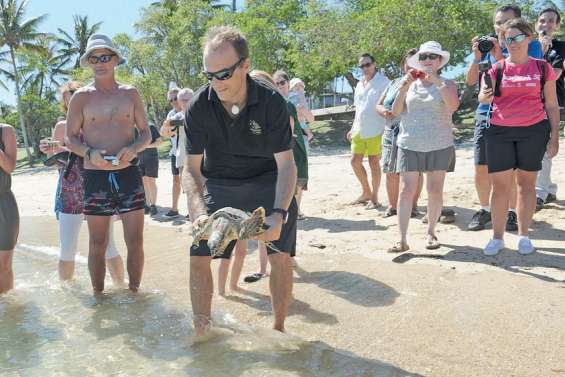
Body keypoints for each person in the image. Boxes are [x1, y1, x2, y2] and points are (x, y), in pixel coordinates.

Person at [183, 26, 297, 336]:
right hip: (219, 184)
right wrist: (198, 213)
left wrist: (278, 213)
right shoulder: (197, 106)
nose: (215, 83)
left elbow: (287, 165)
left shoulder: (272, 102)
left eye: (224, 74)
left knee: (280, 256)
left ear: (245, 65)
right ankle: (202, 334)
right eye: (209, 75)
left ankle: (279, 330)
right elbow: (191, 170)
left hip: (267, 180)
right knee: (199, 252)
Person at [65, 34, 151, 293]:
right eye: (94, 58)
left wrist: (134, 148)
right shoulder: (80, 98)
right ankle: (99, 298)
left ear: (115, 60)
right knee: (97, 243)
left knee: (135, 240)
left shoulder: (130, 93)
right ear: (88, 62)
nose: (100, 62)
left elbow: (146, 133)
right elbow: (70, 138)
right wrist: (89, 152)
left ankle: (135, 293)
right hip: (95, 178)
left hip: (128, 175)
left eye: (105, 56)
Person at [478, 18, 559, 256]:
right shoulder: (497, 68)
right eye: (507, 39)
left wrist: (554, 137)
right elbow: (484, 96)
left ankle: (524, 236)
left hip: (533, 131)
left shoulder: (543, 68)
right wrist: (484, 94)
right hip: (500, 131)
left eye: (517, 38)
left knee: (527, 185)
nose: (512, 43)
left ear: (529, 38)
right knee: (501, 186)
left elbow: (552, 106)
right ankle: (497, 237)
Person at [466, 4, 543, 231]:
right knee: (481, 165)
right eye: (498, 22)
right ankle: (484, 209)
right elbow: (472, 82)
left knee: (513, 170)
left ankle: (510, 212)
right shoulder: (486, 46)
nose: (501, 27)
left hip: (517, 119)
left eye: (506, 22)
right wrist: (476, 57)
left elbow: (527, 76)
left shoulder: (532, 46)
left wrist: (499, 55)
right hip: (485, 114)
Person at [39, 81, 125, 284]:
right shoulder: (61, 126)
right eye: (69, 103)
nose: (73, 107)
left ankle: (122, 288)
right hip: (70, 190)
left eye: (76, 100)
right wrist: (49, 151)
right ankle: (67, 295)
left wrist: (75, 150)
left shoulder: (98, 123)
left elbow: (108, 153)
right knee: (67, 247)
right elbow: (57, 163)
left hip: (98, 186)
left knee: (108, 244)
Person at [389, 41, 460, 252]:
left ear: (440, 61)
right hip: (409, 142)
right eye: (423, 57)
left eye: (432, 56)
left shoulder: (448, 83)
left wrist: (437, 81)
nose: (427, 60)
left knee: (434, 189)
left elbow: (453, 106)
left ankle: (431, 232)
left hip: (439, 143)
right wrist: (404, 85)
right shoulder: (409, 82)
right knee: (405, 190)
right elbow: (395, 111)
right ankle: (401, 239)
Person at [376, 48, 423, 218]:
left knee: (414, 171)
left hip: (412, 131)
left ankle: (414, 205)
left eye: (414, 63)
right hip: (390, 130)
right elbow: (379, 104)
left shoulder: (423, 82)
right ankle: (392, 206)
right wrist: (383, 111)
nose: (410, 67)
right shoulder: (393, 82)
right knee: (390, 170)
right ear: (404, 64)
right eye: (408, 63)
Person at [347, 53, 390, 209]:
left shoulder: (384, 82)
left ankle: (375, 198)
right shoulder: (359, 84)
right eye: (362, 66)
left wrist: (387, 128)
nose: (365, 68)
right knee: (354, 161)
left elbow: (387, 105)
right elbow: (358, 109)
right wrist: (352, 128)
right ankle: (366, 192)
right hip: (359, 128)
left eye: (367, 64)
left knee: (374, 163)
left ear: (374, 64)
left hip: (377, 128)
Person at [535, 7, 564, 210]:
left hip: (551, 103)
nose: (546, 24)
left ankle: (539, 193)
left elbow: (551, 76)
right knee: (538, 148)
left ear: (557, 25)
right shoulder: (526, 46)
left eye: (551, 21)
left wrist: (544, 53)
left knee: (543, 148)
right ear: (536, 23)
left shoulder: (561, 48)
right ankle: (550, 189)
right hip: (528, 103)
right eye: (543, 20)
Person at [0, 123, 18, 294]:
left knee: (4, 265)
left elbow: (10, 167)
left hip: (3, 204)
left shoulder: (5, 130)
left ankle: (7, 311)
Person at [160, 88, 183, 217]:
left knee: (190, 182)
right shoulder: (171, 114)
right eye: (171, 100)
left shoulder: (189, 110)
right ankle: (174, 209)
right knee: (176, 181)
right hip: (175, 153)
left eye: (176, 98)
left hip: (188, 153)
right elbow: (165, 133)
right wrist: (167, 129)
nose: (174, 102)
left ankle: (194, 211)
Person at [138, 122, 162, 216]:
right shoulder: (133, 129)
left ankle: (153, 205)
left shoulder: (150, 126)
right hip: (139, 159)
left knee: (151, 181)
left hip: (151, 157)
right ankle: (147, 204)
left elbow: (159, 141)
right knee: (144, 182)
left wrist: (146, 146)